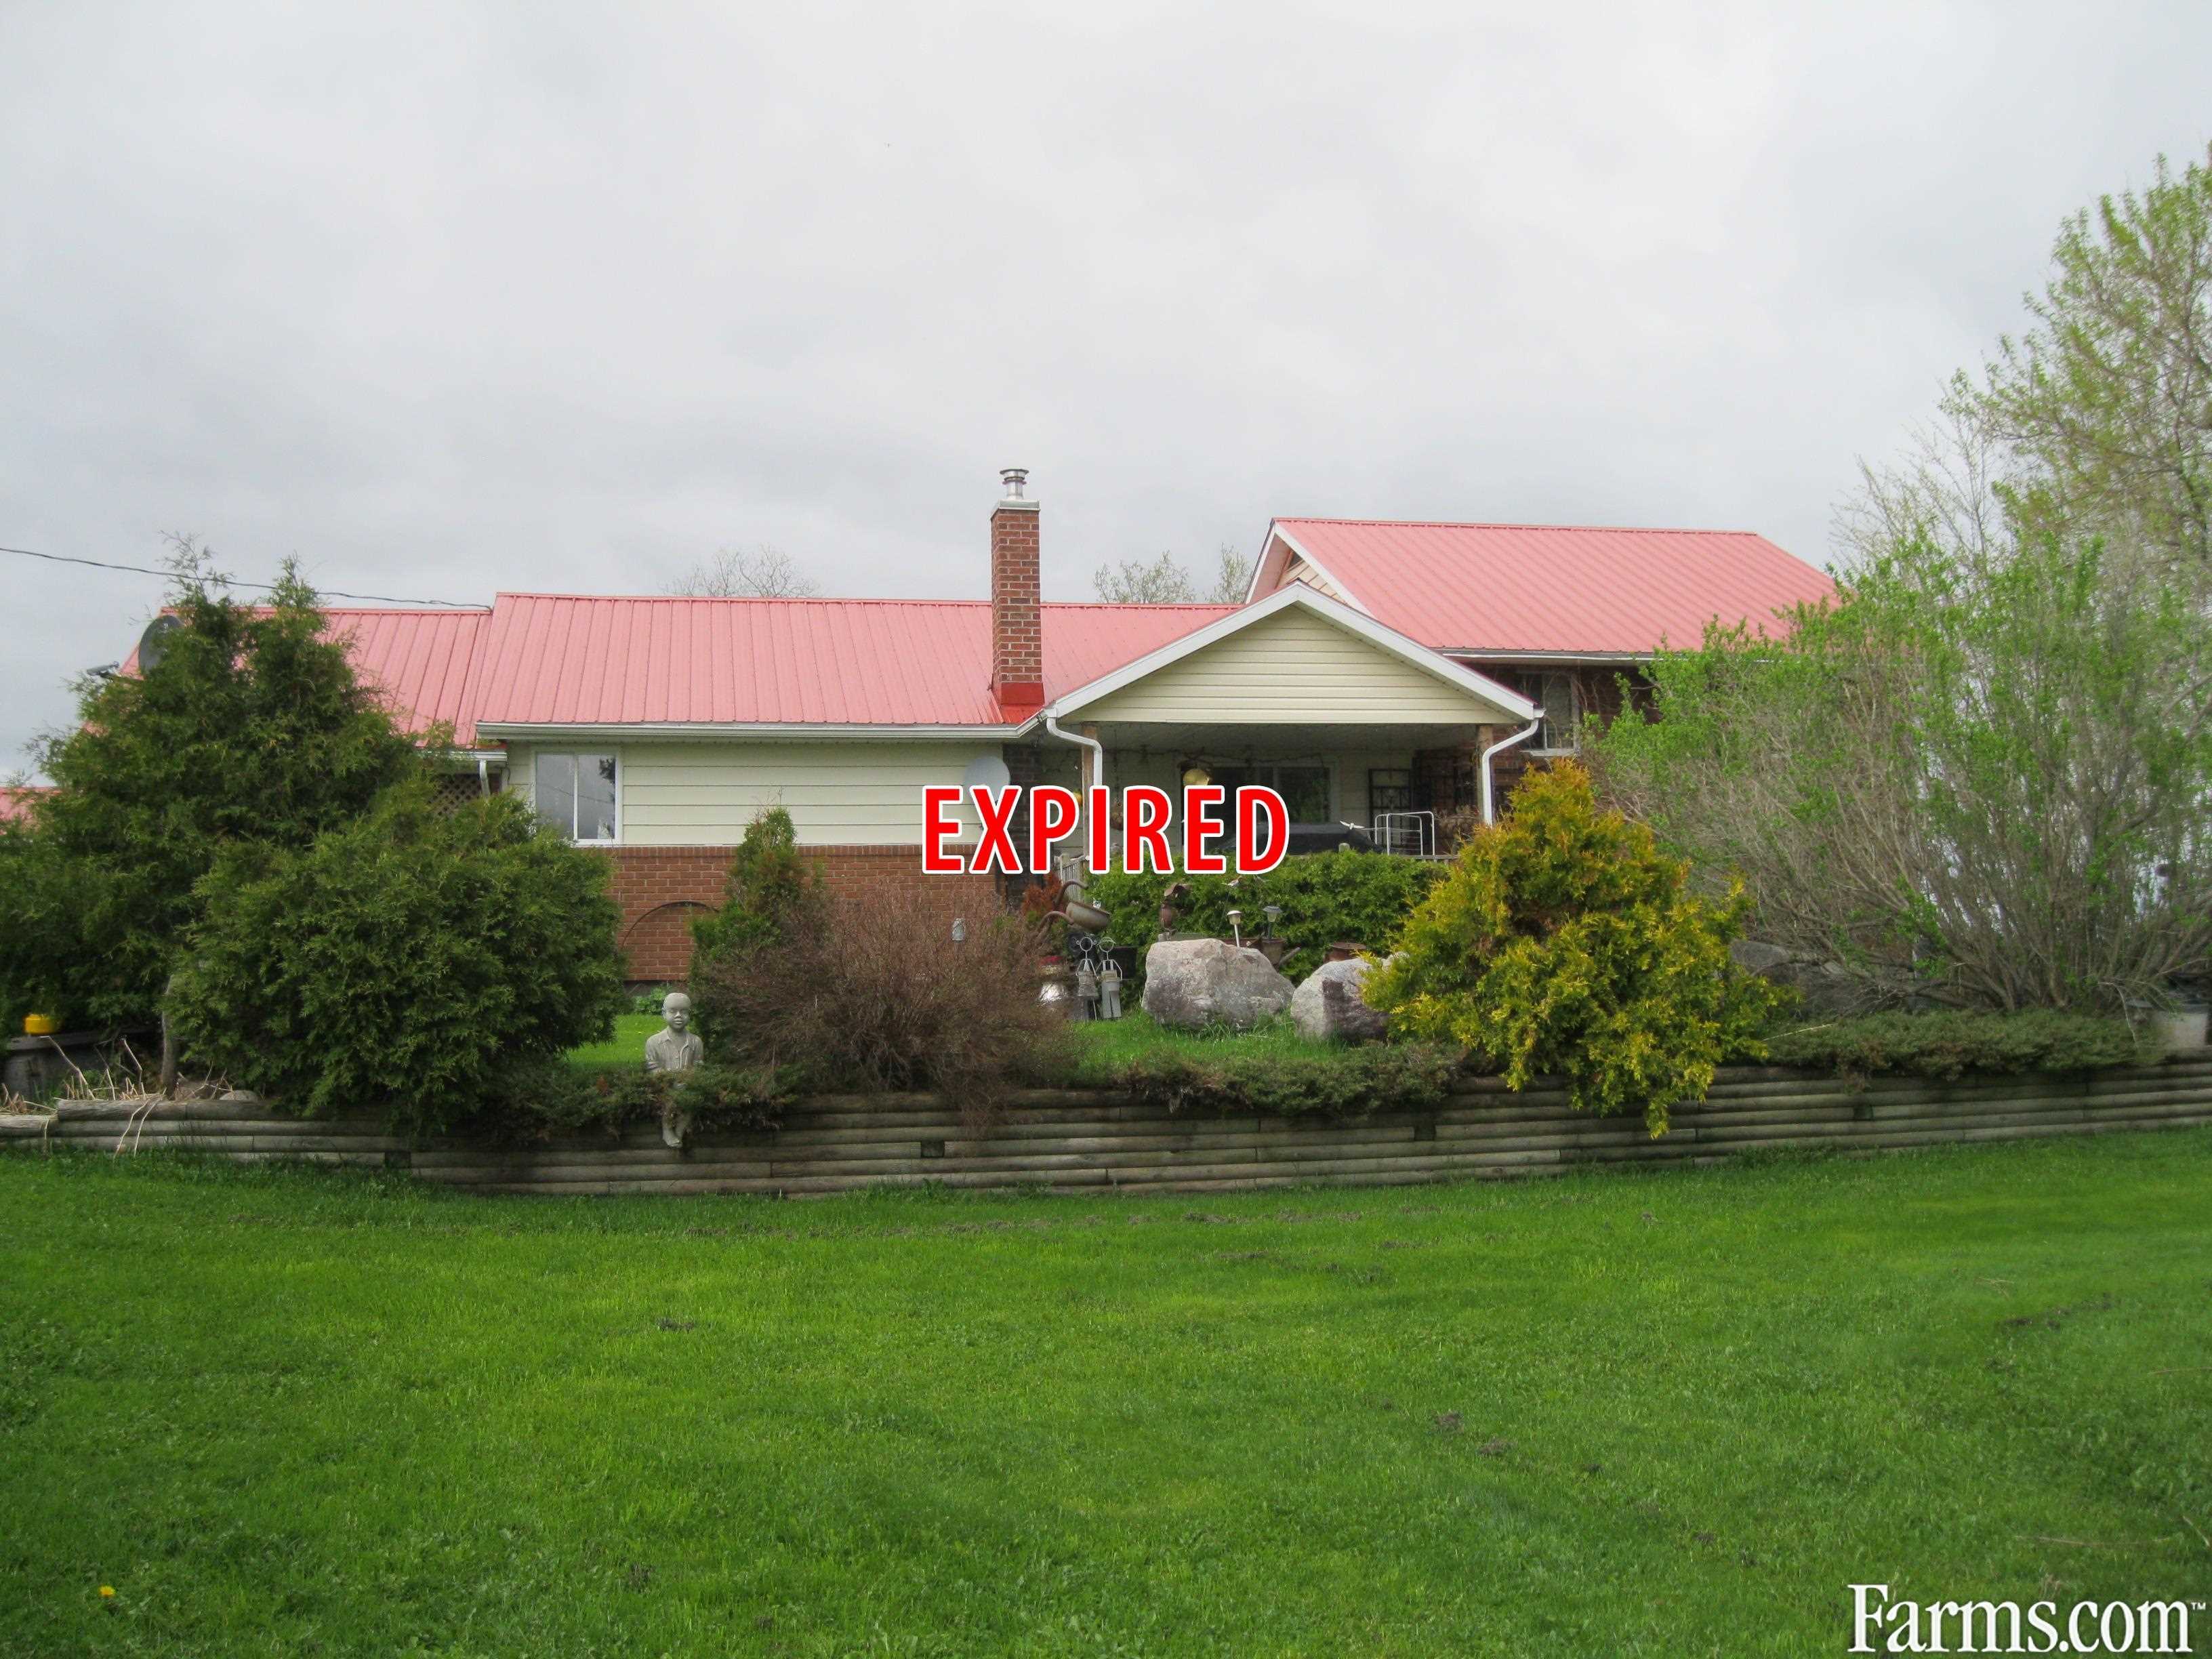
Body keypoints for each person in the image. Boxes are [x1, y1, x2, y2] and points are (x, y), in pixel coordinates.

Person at [644, 991, 705, 1073]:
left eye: (684, 1012)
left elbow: (698, 1068)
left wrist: (687, 1079)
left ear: (689, 1015)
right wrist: (669, 1079)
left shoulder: (696, 1042)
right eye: (673, 1011)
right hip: (663, 1081)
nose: (678, 1015)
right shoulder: (653, 1042)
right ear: (664, 1014)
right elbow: (653, 1069)